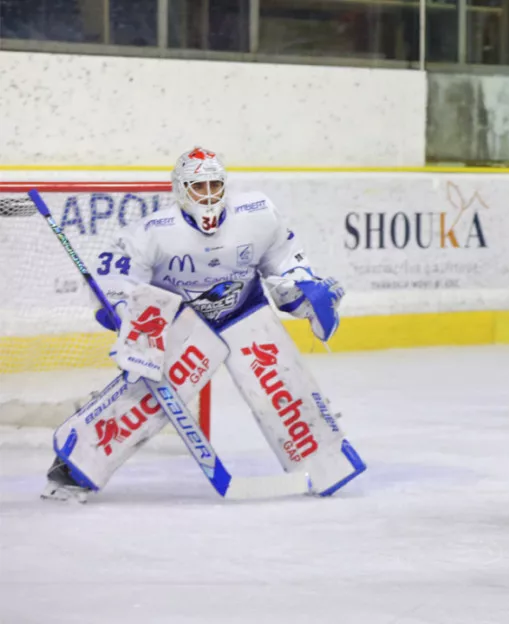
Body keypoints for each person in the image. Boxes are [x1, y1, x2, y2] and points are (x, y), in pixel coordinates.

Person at [41, 146, 365, 502]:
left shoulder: (258, 214)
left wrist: (303, 292)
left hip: (244, 310)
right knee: (147, 398)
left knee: (282, 384)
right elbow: (120, 277)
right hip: (185, 322)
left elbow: (283, 260)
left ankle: (324, 461)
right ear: (181, 189)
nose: (208, 195)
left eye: (215, 185)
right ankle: (73, 466)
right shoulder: (154, 231)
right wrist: (127, 316)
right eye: (199, 187)